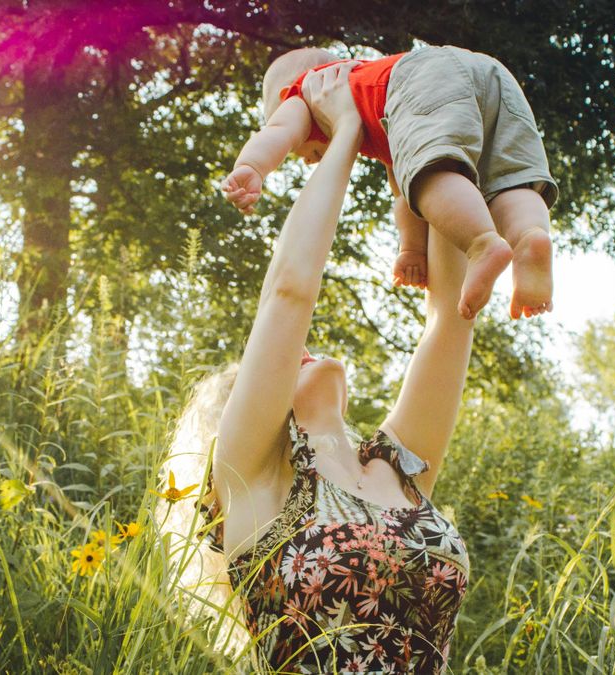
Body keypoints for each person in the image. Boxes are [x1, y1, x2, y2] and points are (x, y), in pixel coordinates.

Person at [166, 64, 475, 673]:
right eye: (289, 360)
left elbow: (453, 316)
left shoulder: (399, 470)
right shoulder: (253, 479)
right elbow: (290, 292)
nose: (302, 350)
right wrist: (343, 136)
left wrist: (426, 142)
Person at [221, 45, 559, 322]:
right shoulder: (383, 109)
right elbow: (404, 193)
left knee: (432, 176)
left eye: (301, 152)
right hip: (491, 74)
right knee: (508, 180)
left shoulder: (309, 91)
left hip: (424, 75)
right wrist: (411, 250)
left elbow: (278, 131)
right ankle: (529, 238)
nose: (308, 158)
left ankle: (483, 244)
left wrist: (252, 166)